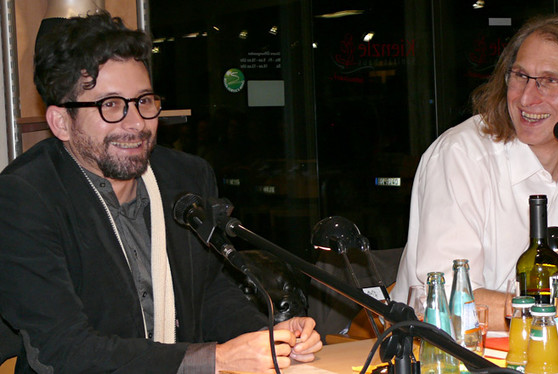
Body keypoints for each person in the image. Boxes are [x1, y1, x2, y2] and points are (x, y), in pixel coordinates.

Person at [0, 12, 321, 373]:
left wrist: (268, 337)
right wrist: (217, 360)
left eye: (144, 101)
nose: (136, 123)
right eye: (110, 105)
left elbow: (208, 292)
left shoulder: (185, 178)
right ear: (61, 122)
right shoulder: (25, 198)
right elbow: (64, 350)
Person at [391, 15, 558, 333]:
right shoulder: (461, 156)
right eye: (520, 76)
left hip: (531, 348)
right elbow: (450, 300)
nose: (527, 97)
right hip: (440, 352)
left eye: (549, 81)